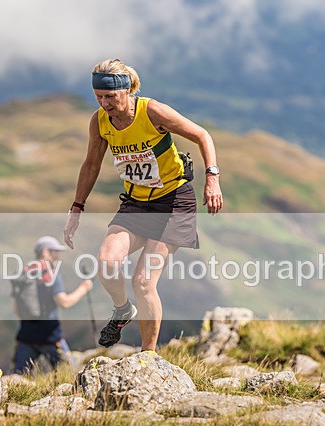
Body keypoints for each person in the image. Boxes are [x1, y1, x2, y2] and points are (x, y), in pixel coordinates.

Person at [63, 58, 223, 352]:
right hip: (136, 202)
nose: (104, 103)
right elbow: (90, 165)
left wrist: (211, 178)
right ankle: (122, 310)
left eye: (110, 96)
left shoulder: (152, 111)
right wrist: (76, 208)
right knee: (107, 263)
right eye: (98, 96)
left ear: (127, 90)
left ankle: (148, 356)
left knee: (143, 281)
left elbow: (202, 135)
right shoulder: (99, 121)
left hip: (173, 202)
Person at [12, 235, 93, 373]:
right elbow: (64, 302)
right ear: (45, 252)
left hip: (26, 335)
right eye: (55, 252)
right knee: (70, 374)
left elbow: (16, 309)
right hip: (50, 335)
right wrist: (84, 288)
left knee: (18, 375)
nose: (58, 257)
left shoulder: (23, 274)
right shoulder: (51, 275)